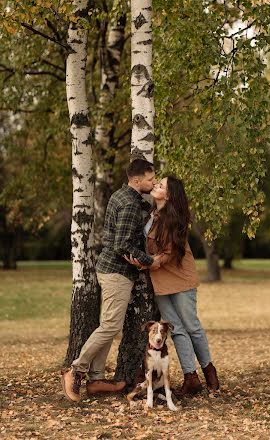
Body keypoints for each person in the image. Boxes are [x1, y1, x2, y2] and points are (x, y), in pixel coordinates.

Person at [61, 158, 161, 402]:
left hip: (112, 271)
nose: (154, 182)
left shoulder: (126, 196)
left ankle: (95, 380)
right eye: (150, 179)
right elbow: (122, 245)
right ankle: (76, 369)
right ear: (137, 180)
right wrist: (150, 261)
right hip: (117, 273)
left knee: (107, 324)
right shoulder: (128, 203)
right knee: (110, 326)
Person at [126, 175, 220, 396]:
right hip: (159, 279)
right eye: (157, 182)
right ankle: (191, 378)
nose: (156, 184)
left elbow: (167, 254)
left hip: (180, 278)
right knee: (175, 328)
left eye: (161, 185)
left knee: (192, 326)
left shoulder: (175, 219)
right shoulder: (151, 214)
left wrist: (144, 263)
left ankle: (210, 373)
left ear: (169, 195)